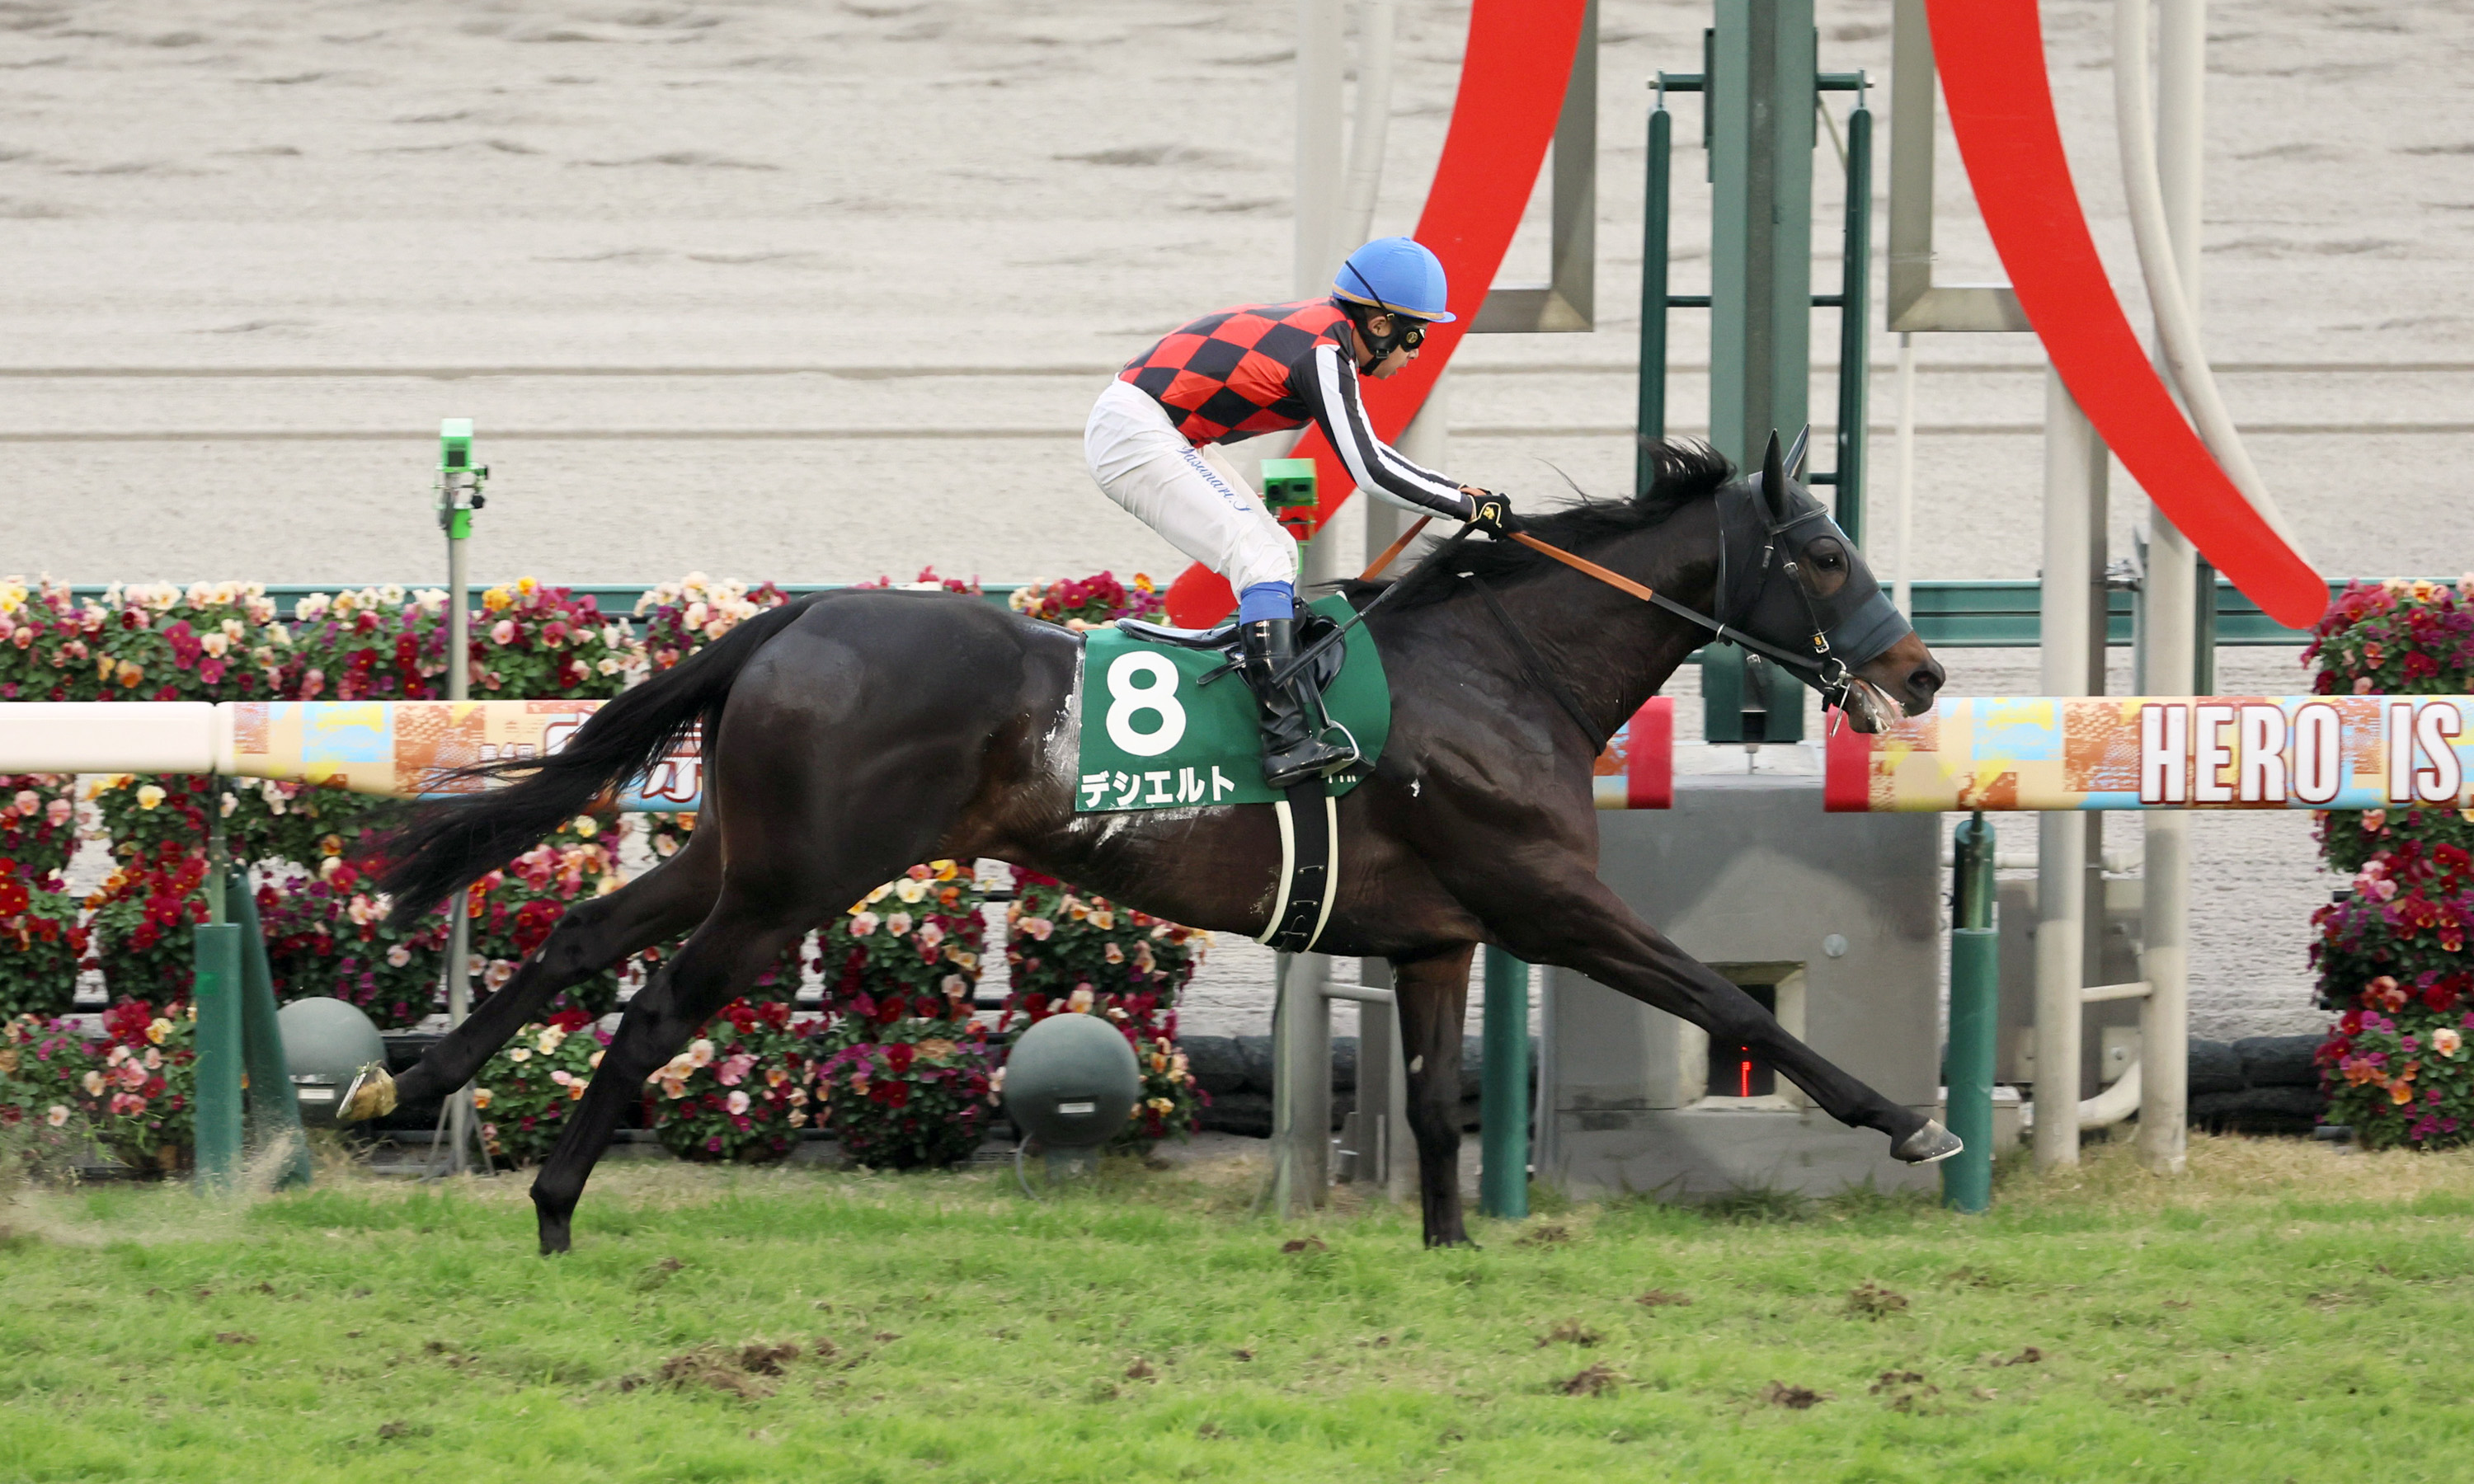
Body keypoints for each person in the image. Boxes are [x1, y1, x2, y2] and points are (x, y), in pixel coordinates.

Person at [1086, 235, 1517, 789]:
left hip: (1156, 425)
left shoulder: (1325, 335)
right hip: (1135, 430)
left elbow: (1371, 455)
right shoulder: (1324, 351)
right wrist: (1464, 503)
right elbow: (1370, 468)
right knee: (1263, 559)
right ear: (1380, 324)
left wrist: (1462, 497)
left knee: (1278, 554)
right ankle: (1284, 738)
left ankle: (1272, 693)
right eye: (1416, 335)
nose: (1416, 353)